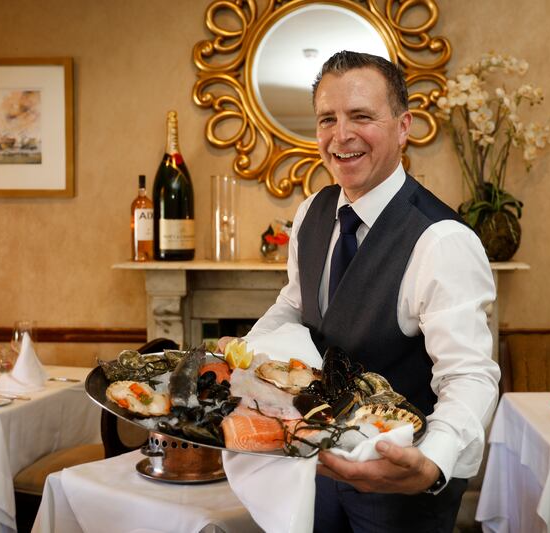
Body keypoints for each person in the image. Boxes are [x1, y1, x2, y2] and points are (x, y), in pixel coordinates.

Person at [227, 50, 500, 532]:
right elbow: (296, 305)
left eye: (361, 116)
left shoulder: (443, 240)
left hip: (396, 482)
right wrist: (242, 358)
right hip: (314, 465)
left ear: (403, 126)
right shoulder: (313, 211)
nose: (341, 135)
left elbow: (471, 375)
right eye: (327, 119)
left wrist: (430, 463)